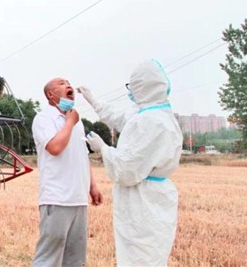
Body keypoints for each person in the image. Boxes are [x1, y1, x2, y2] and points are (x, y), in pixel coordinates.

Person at [78, 59, 183, 267]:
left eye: (131, 86)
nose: (130, 92)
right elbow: (118, 118)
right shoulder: (152, 114)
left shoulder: (151, 122)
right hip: (152, 198)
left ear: (141, 87)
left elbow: (126, 171)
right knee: (146, 257)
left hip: (142, 201)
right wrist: (93, 101)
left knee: (140, 257)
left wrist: (103, 149)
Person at [32, 77, 103, 267]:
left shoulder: (77, 123)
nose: (69, 85)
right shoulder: (43, 119)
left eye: (69, 83)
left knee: (75, 259)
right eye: (62, 83)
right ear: (51, 94)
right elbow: (55, 147)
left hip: (78, 199)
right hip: (56, 198)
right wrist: (70, 122)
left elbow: (82, 156)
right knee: (48, 258)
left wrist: (92, 186)